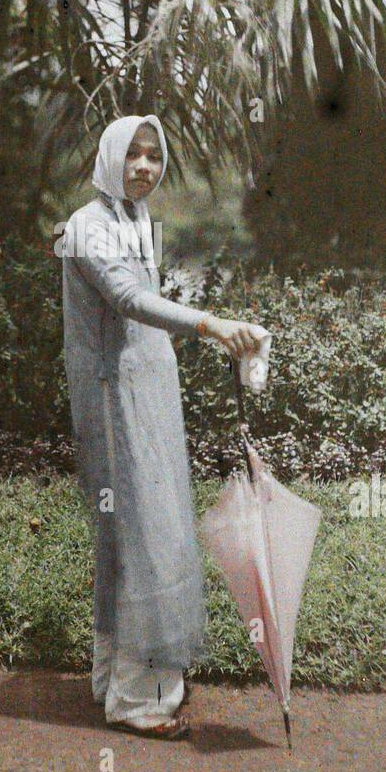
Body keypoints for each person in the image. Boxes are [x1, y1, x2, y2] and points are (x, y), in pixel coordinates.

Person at [61, 114, 262, 739]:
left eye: (154, 156)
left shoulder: (135, 220)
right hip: (111, 394)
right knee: (141, 534)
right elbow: (125, 298)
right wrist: (210, 324)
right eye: (133, 155)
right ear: (109, 158)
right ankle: (139, 698)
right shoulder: (87, 226)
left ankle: (115, 680)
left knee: (143, 528)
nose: (144, 167)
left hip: (150, 387)